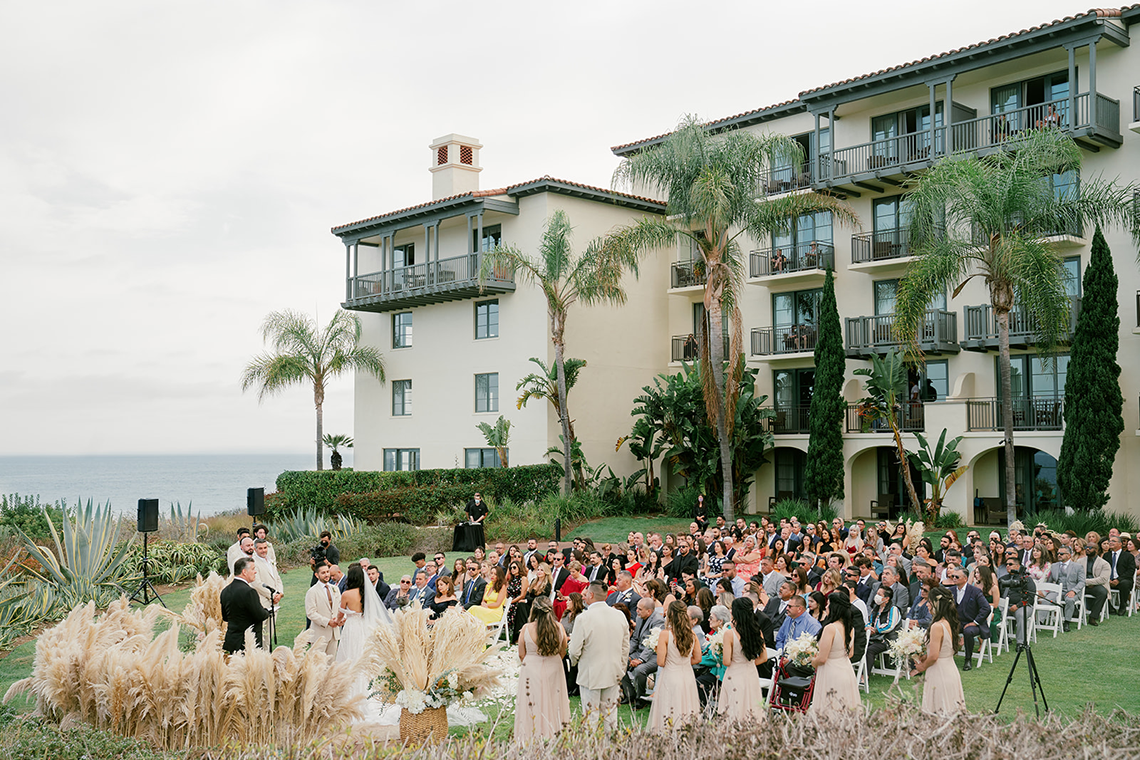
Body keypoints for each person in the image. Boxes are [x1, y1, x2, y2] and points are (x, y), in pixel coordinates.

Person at [568, 581, 630, 733]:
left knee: (590, 715)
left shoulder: (584, 618)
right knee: (610, 715)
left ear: (591, 595)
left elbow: (574, 650)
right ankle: (611, 748)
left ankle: (591, 750)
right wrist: (621, 668)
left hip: (591, 672)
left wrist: (575, 662)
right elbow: (625, 647)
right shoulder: (619, 616)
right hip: (613, 671)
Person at [514, 597, 570, 743]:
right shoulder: (559, 627)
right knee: (554, 700)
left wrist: (531, 661)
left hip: (531, 667)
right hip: (554, 665)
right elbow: (563, 650)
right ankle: (553, 734)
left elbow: (521, 653)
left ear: (534, 609)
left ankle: (531, 735)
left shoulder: (527, 628)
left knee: (532, 702)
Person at [647, 600, 701, 730]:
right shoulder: (692, 634)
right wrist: (684, 662)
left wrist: (658, 650)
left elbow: (660, 662)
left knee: (669, 707)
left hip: (670, 675)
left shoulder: (665, 634)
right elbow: (698, 658)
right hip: (687, 676)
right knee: (686, 706)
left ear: (670, 614)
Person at [911, 586, 965, 715]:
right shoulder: (949, 622)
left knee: (939, 710)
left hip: (939, 671)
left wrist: (921, 667)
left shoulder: (937, 626)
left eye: (929, 602)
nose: (927, 605)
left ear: (936, 603)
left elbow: (934, 656)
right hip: (950, 668)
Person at [809, 590, 860, 714]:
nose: (826, 607)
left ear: (834, 607)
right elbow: (850, 654)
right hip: (846, 670)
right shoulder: (850, 628)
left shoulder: (830, 628)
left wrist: (812, 661)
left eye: (828, 604)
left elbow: (822, 658)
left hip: (831, 672)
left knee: (830, 708)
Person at [718, 597, 768, 722]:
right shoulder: (757, 632)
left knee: (734, 708)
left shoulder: (729, 634)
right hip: (751, 673)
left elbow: (726, 662)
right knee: (751, 707)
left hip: (734, 674)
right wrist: (749, 664)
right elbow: (764, 658)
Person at [221, 557, 271, 655]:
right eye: (253, 569)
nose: (255, 572)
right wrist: (267, 611)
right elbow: (260, 615)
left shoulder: (225, 591)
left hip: (232, 641)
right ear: (244, 572)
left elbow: (225, 617)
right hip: (248, 643)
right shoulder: (249, 592)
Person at [621, 597, 664, 708]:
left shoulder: (658, 621)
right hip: (639, 651)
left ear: (649, 611)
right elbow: (635, 639)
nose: (637, 611)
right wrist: (626, 653)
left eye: (640, 609)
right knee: (619, 662)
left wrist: (640, 660)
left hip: (654, 654)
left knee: (640, 670)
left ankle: (640, 698)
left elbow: (652, 645)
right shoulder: (640, 618)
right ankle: (630, 693)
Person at [949, 566, 990, 670]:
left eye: (957, 576)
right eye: (953, 576)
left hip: (972, 623)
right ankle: (946, 657)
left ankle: (968, 659)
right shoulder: (950, 591)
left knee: (968, 631)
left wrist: (975, 622)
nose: (954, 578)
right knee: (944, 628)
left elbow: (986, 608)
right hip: (956, 623)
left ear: (965, 579)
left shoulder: (975, 591)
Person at [303, 562, 341, 656]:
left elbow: (339, 607)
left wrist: (340, 620)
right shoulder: (312, 592)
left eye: (327, 572)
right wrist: (327, 622)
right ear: (317, 575)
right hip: (319, 634)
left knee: (331, 664)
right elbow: (311, 613)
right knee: (318, 664)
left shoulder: (335, 589)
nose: (327, 574)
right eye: (323, 573)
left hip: (334, 633)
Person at [1044, 545, 1084, 632]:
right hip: (1057, 590)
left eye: (1061, 554)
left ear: (1069, 555)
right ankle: (1039, 621)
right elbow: (1050, 581)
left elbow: (1082, 582)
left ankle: (1067, 622)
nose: (1059, 555)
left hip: (1071, 590)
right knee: (1046, 599)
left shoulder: (1077, 567)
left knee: (1070, 600)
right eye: (1058, 553)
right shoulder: (1054, 566)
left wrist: (1074, 591)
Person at [863, 585, 902, 671]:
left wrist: (876, 630)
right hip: (875, 637)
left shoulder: (893, 609)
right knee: (861, 645)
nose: (876, 596)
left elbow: (890, 626)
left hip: (888, 640)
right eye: (877, 593)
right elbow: (869, 621)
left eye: (879, 594)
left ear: (886, 598)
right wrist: (868, 627)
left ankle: (864, 676)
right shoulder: (876, 608)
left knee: (870, 650)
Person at [1082, 533, 1111, 624]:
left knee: (1103, 592)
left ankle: (1093, 617)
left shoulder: (1104, 564)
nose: (1087, 549)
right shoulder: (1080, 561)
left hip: (1096, 585)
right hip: (1082, 584)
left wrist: (1089, 582)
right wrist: (1085, 583)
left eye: (1090, 548)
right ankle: (1075, 613)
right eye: (1086, 547)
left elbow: (1102, 579)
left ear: (1097, 550)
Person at [1107, 534, 1136, 616]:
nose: (1110, 543)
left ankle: (1122, 606)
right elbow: (1102, 570)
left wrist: (1118, 579)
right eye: (1110, 541)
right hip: (1108, 580)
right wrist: (1107, 579)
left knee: (1125, 583)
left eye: (1113, 541)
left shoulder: (1128, 556)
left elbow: (1130, 571)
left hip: (1123, 580)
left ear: (1120, 544)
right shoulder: (1106, 555)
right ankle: (1110, 608)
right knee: (1099, 585)